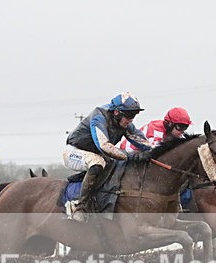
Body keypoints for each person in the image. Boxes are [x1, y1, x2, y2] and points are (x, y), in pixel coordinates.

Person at [63, 92, 153, 221]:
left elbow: (143, 143)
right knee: (97, 163)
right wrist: (129, 156)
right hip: (74, 152)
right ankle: (81, 206)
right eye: (130, 115)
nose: (132, 119)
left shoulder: (124, 123)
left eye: (134, 115)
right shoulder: (99, 117)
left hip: (96, 154)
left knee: (114, 164)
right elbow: (104, 145)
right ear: (117, 112)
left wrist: (156, 152)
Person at [121, 107, 193, 152]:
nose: (182, 131)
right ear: (170, 124)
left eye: (185, 127)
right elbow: (155, 150)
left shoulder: (174, 132)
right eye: (180, 127)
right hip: (128, 151)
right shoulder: (156, 129)